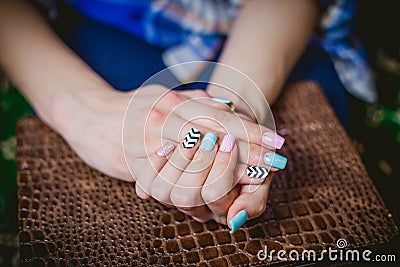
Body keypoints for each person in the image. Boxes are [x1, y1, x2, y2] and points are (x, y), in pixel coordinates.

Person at [0, 0, 374, 232]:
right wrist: (83, 110)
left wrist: (232, 109)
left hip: (259, 36)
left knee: (299, 200)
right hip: (95, 30)